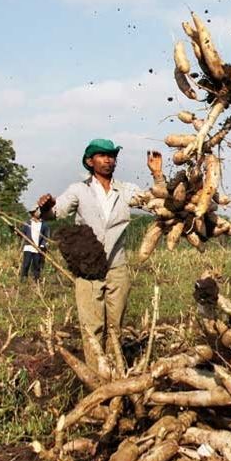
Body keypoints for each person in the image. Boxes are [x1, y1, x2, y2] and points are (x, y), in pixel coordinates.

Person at [37, 139, 163, 366]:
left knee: (115, 327)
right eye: (102, 155)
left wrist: (157, 174)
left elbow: (156, 202)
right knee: (92, 327)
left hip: (117, 267)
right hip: (89, 270)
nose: (108, 160)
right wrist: (45, 207)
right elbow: (55, 212)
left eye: (112, 156)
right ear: (90, 161)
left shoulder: (125, 190)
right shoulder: (79, 190)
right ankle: (97, 375)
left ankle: (114, 371)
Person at [18, 209, 50, 282]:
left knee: (36, 265)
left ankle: (36, 280)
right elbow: (22, 233)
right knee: (26, 264)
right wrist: (16, 231)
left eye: (39, 211)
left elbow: (45, 237)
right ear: (33, 213)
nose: (39, 212)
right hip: (28, 247)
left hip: (38, 248)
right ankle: (23, 279)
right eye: (37, 211)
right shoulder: (27, 223)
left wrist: (42, 245)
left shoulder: (44, 225)